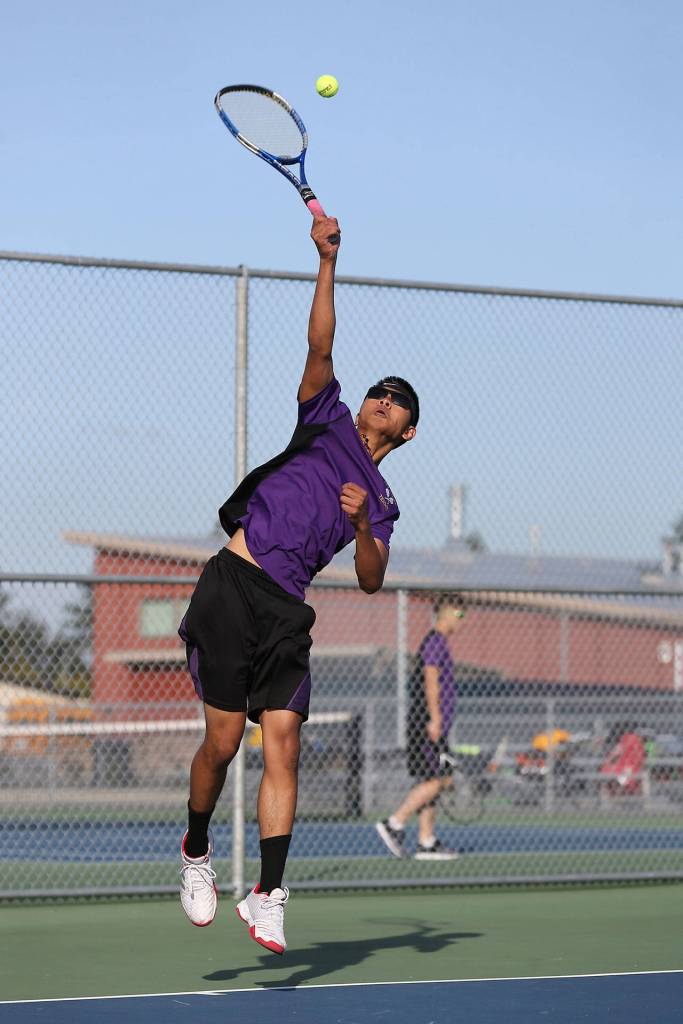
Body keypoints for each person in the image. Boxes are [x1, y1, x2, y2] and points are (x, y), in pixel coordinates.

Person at [177, 215, 419, 954]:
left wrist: (362, 529)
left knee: (283, 744)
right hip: (235, 582)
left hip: (287, 611)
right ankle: (194, 851)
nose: (381, 397)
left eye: (396, 397)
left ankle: (270, 894)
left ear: (408, 431)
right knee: (222, 744)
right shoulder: (326, 419)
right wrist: (326, 263)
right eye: (378, 388)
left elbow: (373, 582)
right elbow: (321, 345)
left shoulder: (380, 500)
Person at [376, 597, 465, 860]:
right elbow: (430, 680)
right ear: (447, 614)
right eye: (460, 615)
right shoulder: (435, 642)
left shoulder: (440, 642)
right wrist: (435, 719)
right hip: (427, 724)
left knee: (436, 779)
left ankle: (426, 842)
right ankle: (394, 823)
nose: (462, 621)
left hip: (434, 726)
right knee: (438, 780)